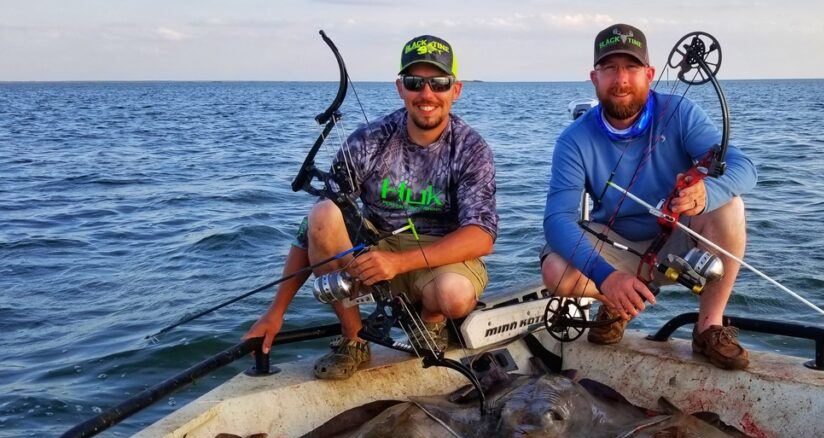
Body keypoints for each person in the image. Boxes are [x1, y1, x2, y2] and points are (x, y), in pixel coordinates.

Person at [245, 35, 497, 379]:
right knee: (322, 213)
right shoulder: (368, 140)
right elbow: (312, 232)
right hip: (374, 253)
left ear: (455, 90)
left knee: (454, 296)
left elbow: (482, 236)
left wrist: (399, 262)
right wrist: (276, 311)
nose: (426, 94)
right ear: (400, 88)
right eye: (414, 82)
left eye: (438, 82)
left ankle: (431, 322)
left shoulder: (471, 148)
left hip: (441, 257)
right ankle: (353, 339)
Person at [541, 24, 756, 370]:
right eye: (609, 68)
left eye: (631, 67)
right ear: (594, 78)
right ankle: (616, 303)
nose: (621, 79)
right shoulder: (573, 140)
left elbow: (745, 167)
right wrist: (605, 276)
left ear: (650, 74)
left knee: (730, 207)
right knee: (555, 270)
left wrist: (706, 194)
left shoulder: (682, 113)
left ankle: (709, 327)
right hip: (617, 244)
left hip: (677, 237)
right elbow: (557, 220)